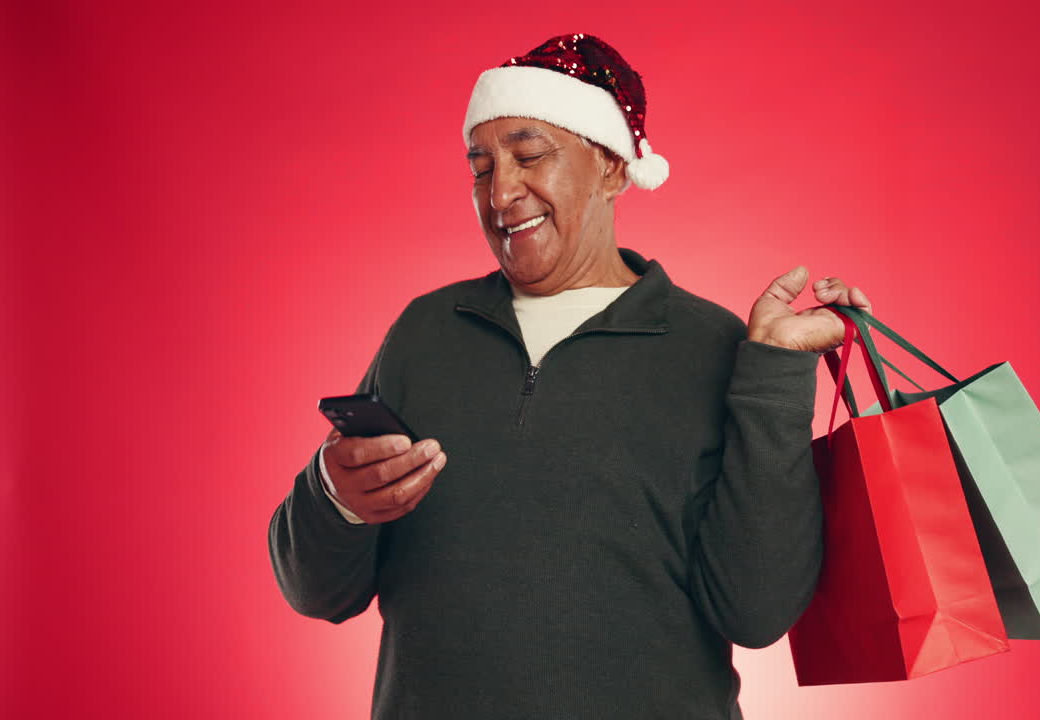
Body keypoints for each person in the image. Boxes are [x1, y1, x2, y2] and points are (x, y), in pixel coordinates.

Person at [268, 33, 873, 720]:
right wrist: (336, 495)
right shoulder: (426, 333)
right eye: (480, 166)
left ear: (613, 169)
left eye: (529, 156)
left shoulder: (712, 347)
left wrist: (776, 376)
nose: (501, 191)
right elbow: (315, 590)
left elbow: (756, 610)